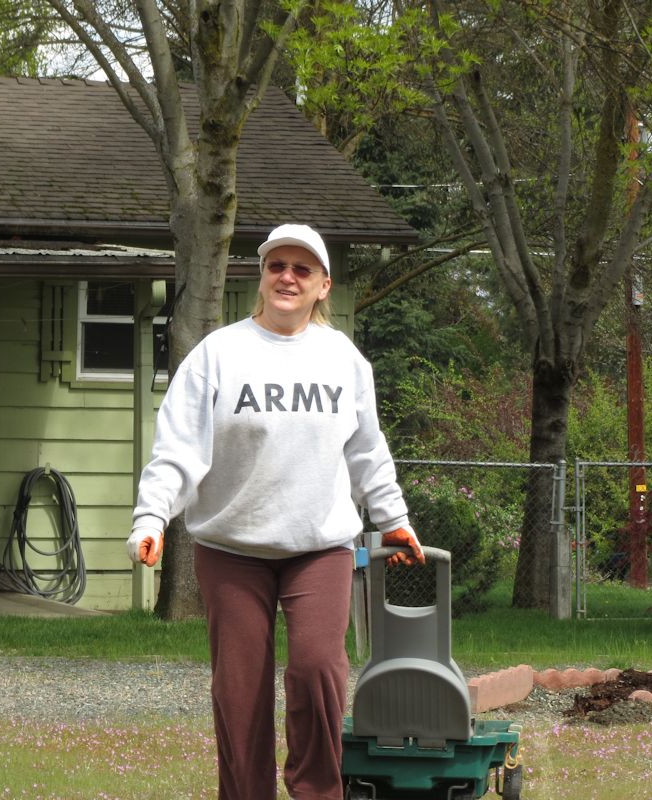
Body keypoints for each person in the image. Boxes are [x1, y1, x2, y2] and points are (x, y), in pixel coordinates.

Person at [127, 223, 424, 800]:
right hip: (231, 549)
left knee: (318, 670)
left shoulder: (342, 359)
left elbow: (367, 450)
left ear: (323, 286)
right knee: (239, 690)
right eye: (276, 266)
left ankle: (318, 791)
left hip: (320, 547)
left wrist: (394, 518)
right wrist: (151, 519)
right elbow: (177, 450)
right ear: (262, 277)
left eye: (302, 269)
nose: (288, 277)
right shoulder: (218, 354)